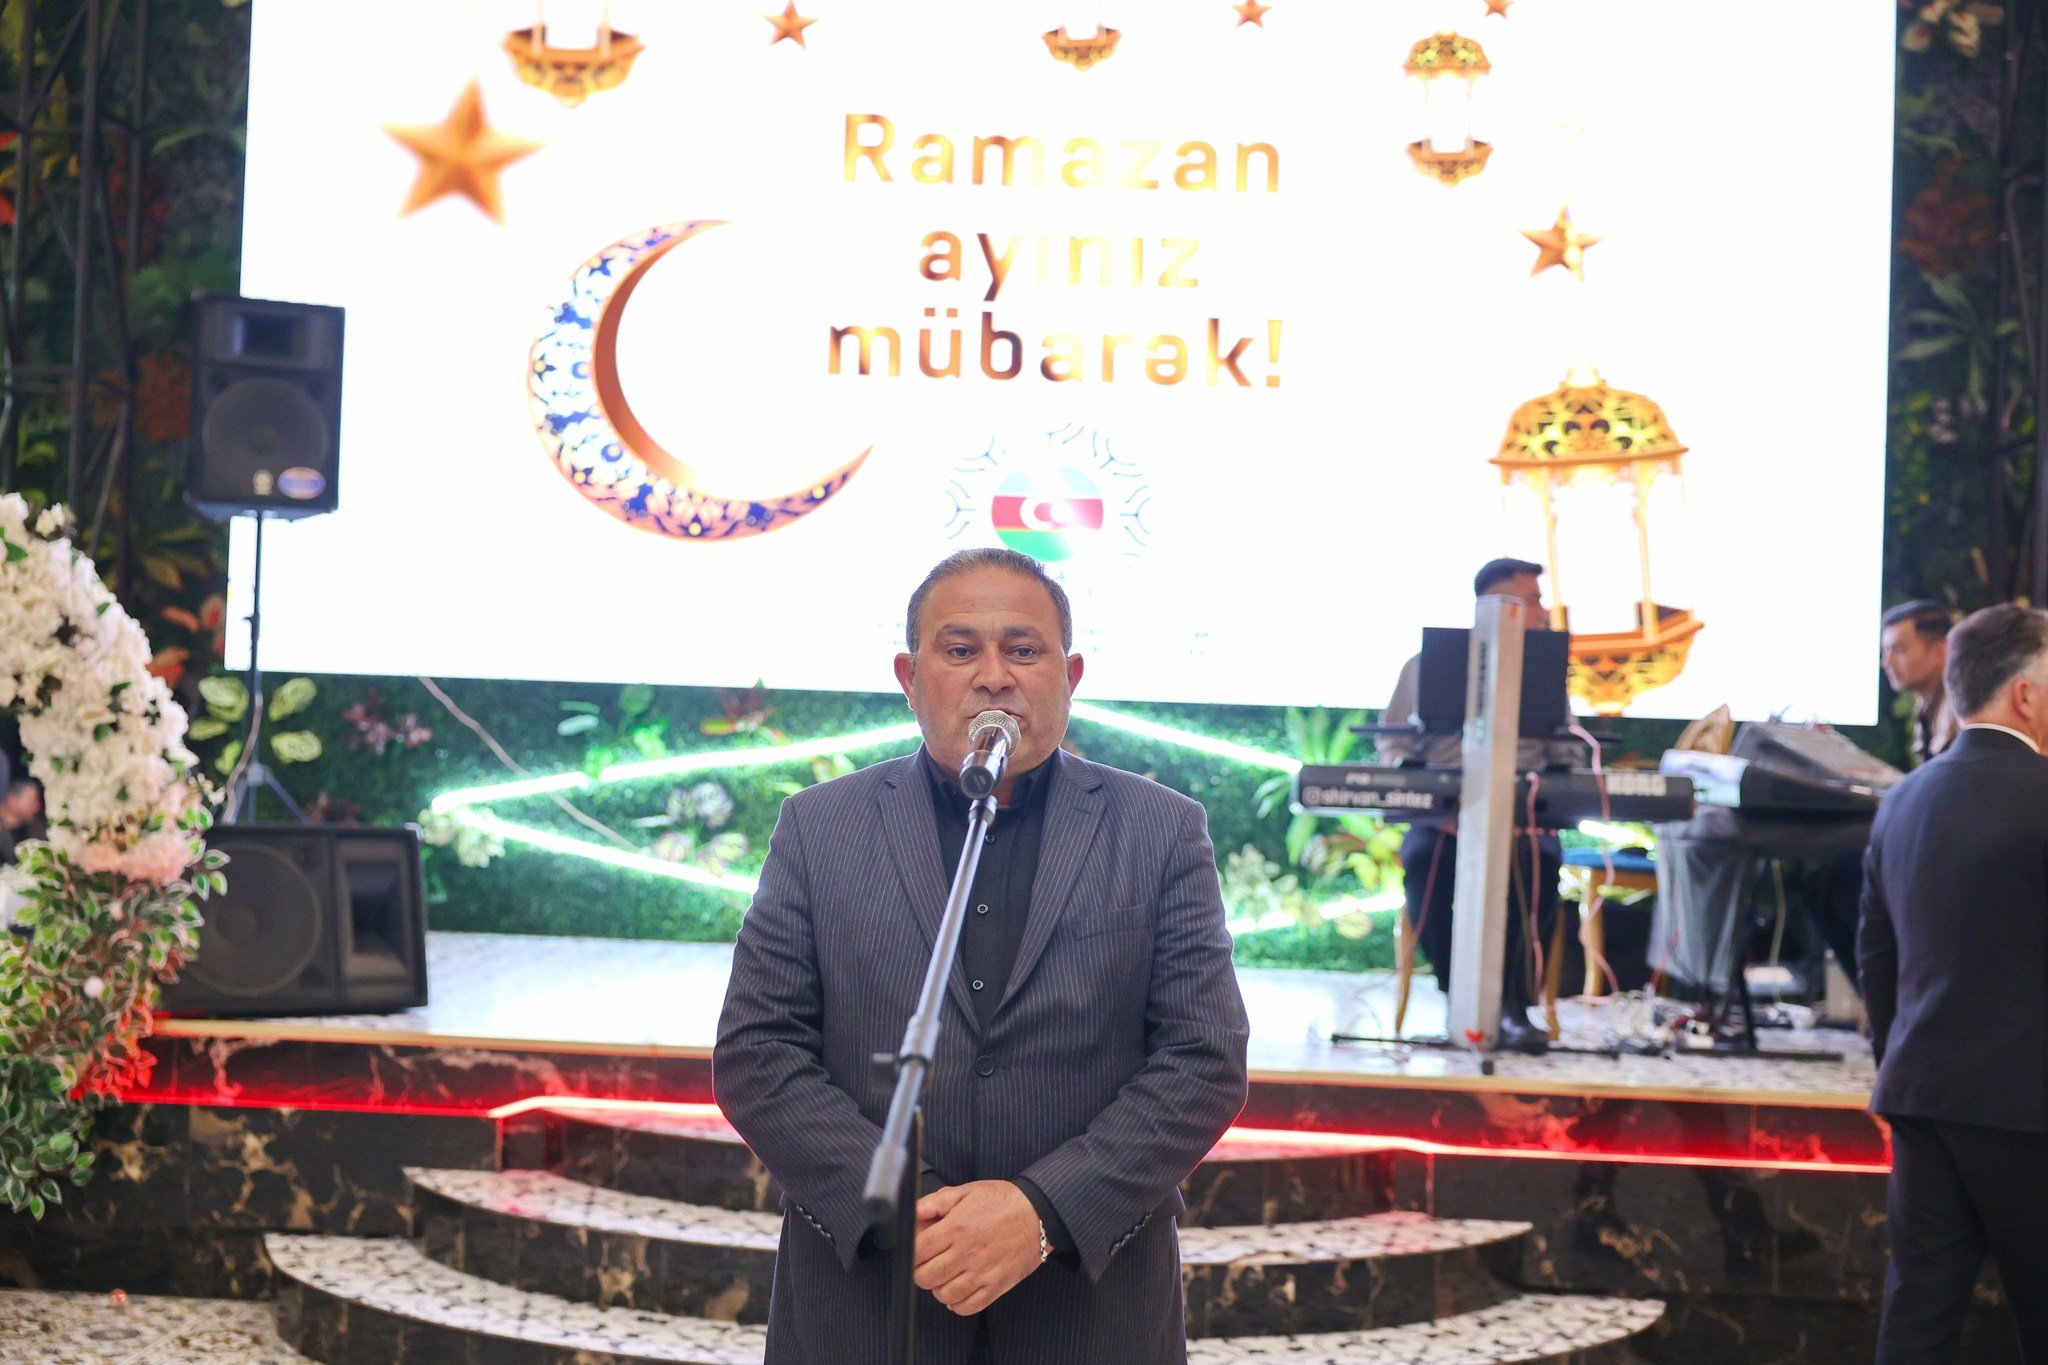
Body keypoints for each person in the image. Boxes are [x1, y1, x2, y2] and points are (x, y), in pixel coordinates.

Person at [714, 547, 1251, 1364]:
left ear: (1070, 674)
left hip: (1087, 1310)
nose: (994, 676)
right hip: (870, 1304)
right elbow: (758, 1052)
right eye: (960, 649)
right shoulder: (819, 828)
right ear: (909, 676)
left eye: (1023, 649)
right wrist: (916, 1215)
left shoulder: (1160, 830)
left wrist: (1040, 1212)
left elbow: (1203, 1058)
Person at [1860, 602, 2048, 1361]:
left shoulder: (1901, 801)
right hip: (2028, 1109)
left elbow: (1876, 957)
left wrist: (1891, 1067)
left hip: (1921, 1097)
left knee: (1918, 1321)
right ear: (2025, 695)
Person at [1380, 558, 1582, 1050]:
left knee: (1539, 868)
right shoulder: (1424, 665)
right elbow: (1393, 740)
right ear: (1496, 602)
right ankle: (1460, 996)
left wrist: (1550, 783)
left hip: (1523, 818)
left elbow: (1569, 747)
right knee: (1424, 863)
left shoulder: (1547, 670)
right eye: (1533, 600)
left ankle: (1513, 1006)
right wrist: (1425, 788)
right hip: (1445, 815)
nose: (1542, 611)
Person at [1879, 599, 1958, 768]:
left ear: (1941, 651)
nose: (1886, 663)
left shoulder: (1963, 709)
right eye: (1885, 651)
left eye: (1899, 649)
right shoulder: (1925, 705)